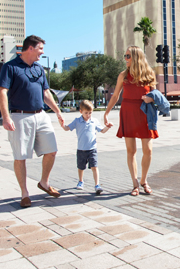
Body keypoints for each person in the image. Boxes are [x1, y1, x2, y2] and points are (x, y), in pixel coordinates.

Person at [0, 35, 64, 208]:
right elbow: (2, 92)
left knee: (52, 150)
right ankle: (24, 193)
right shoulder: (10, 67)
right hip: (20, 116)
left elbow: (46, 93)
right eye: (40, 49)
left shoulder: (39, 68)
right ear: (30, 48)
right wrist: (6, 117)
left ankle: (44, 182)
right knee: (20, 157)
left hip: (41, 115)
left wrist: (58, 111)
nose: (42, 52)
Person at [104, 46, 158, 196]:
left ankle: (144, 180)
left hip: (145, 113)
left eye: (128, 56)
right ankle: (135, 184)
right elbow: (115, 96)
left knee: (148, 149)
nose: (126, 59)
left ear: (136, 57)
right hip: (128, 112)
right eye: (125, 56)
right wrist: (106, 113)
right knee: (131, 150)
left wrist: (150, 98)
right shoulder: (123, 75)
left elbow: (156, 95)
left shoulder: (149, 74)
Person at [61, 99, 112, 195]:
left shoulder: (94, 121)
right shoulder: (77, 121)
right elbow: (67, 128)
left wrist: (108, 127)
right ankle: (80, 181)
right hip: (81, 149)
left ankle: (97, 185)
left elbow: (102, 131)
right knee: (81, 167)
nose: (88, 115)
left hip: (92, 149)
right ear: (81, 111)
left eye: (90, 113)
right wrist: (62, 125)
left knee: (94, 166)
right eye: (86, 113)